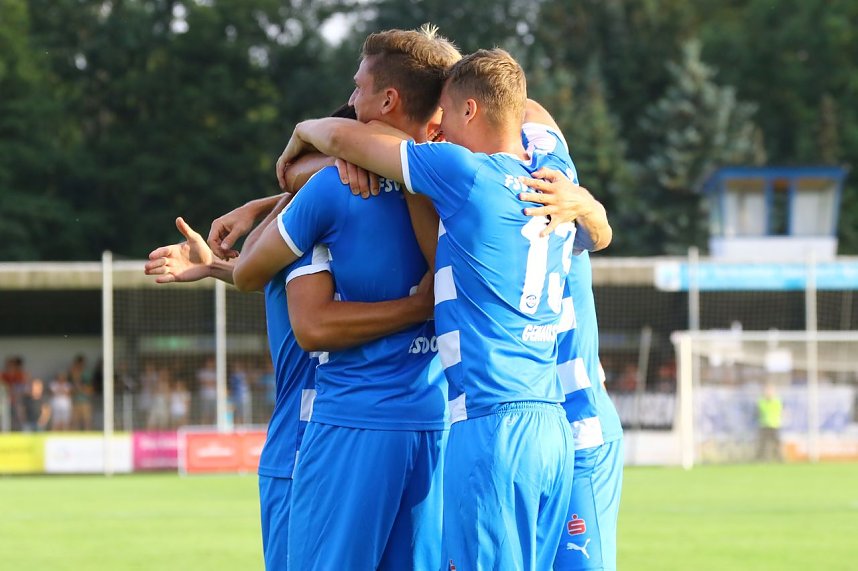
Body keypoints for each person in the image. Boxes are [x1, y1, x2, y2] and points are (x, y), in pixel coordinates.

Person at [274, 48, 584, 569]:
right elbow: (543, 126)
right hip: (552, 426)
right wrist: (595, 211)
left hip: (491, 426)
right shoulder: (555, 175)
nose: (437, 129)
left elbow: (346, 138)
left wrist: (300, 133)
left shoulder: (463, 174)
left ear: (469, 112)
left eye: (446, 113)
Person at [145, 107, 437, 571]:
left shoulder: (353, 220)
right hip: (307, 444)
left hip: (338, 438)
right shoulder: (315, 227)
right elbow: (263, 271)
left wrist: (233, 241)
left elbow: (255, 266)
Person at [231, 27, 460, 570]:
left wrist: (297, 170)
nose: (351, 103)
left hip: (350, 424)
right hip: (438, 424)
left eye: (358, 89)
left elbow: (248, 273)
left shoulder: (334, 187)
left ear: (388, 100)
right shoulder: (467, 182)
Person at [757, 384, 783, 462]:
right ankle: (761, 459)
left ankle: (779, 459)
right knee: (763, 444)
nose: (768, 393)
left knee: (776, 444)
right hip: (764, 425)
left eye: (770, 391)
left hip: (774, 425)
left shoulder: (777, 401)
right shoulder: (761, 401)